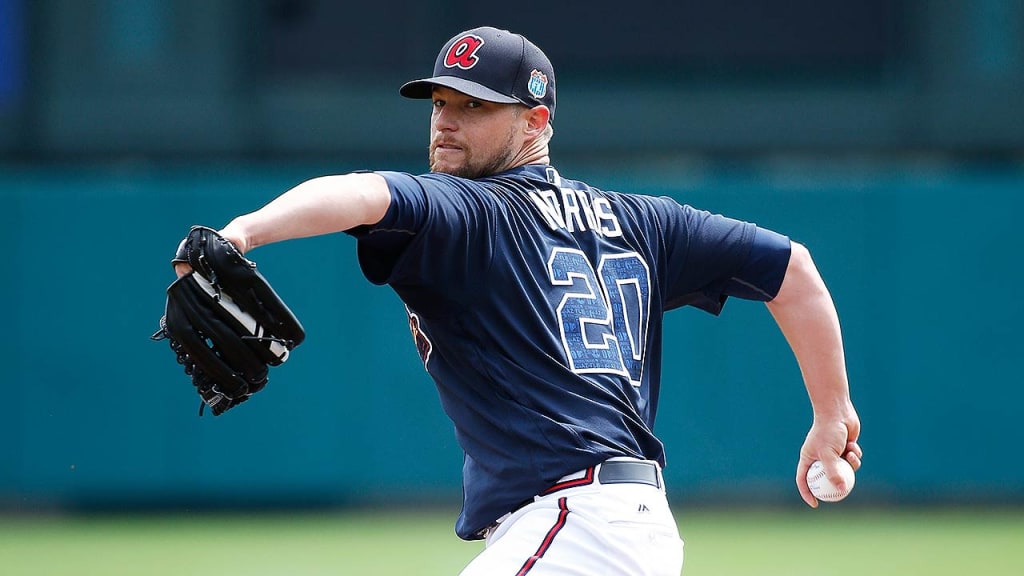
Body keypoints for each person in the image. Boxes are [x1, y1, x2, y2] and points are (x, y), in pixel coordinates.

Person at [174, 26, 862, 576]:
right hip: (619, 526)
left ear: (536, 120)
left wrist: (241, 234)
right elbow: (792, 269)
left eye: (474, 106)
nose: (446, 122)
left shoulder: (472, 209)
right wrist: (832, 414)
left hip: (575, 528)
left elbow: (361, 193)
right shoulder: (642, 221)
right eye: (440, 103)